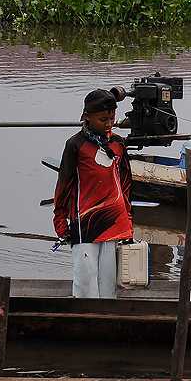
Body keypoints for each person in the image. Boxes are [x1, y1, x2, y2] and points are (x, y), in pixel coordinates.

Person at [53, 89, 133, 299]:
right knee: (85, 282)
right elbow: (64, 184)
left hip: (115, 219)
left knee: (108, 283)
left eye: (112, 118)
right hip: (85, 220)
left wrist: (129, 217)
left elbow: (125, 183)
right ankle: (84, 320)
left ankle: (107, 320)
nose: (109, 124)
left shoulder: (117, 144)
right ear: (87, 117)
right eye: (103, 119)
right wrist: (60, 219)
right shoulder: (75, 145)